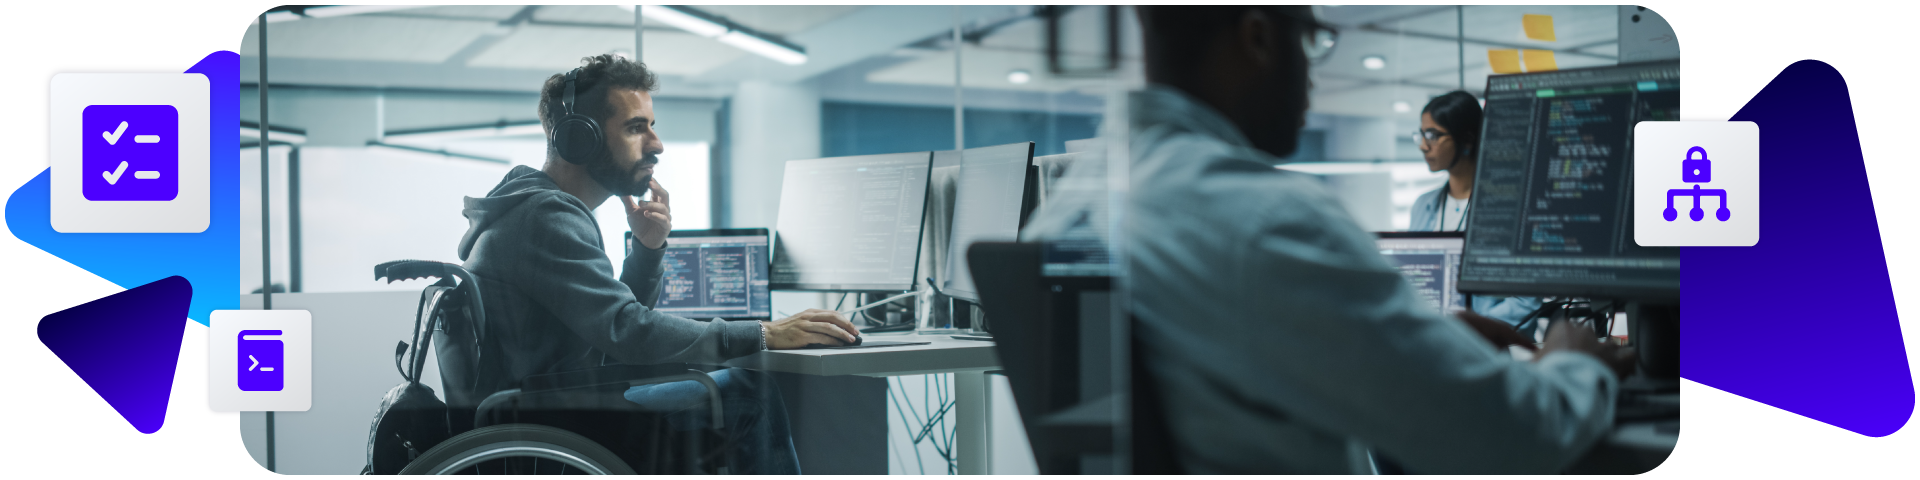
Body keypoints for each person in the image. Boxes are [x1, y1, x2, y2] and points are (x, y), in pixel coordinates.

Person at [1020, 6, 1637, 474]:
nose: (1312, 74)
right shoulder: (1264, 219)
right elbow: (1509, 439)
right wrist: (1574, 364)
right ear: (1259, 37)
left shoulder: (1066, 213)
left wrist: (1422, 347)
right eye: (1310, 39)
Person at [456, 54, 859, 474]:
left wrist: (647, 251)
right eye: (636, 127)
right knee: (749, 393)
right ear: (579, 138)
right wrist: (764, 332)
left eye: (651, 125)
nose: (657, 144)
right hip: (553, 432)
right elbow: (629, 332)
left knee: (723, 390)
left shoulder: (530, 209)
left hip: (548, 413)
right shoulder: (544, 217)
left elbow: (609, 333)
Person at [1407, 91, 1543, 338]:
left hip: (1489, 346)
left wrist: (1470, 332)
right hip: (1432, 340)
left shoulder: (1510, 208)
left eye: (1433, 135)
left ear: (1467, 139)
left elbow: (1526, 302)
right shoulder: (1422, 206)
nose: (1423, 145)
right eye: (1422, 134)